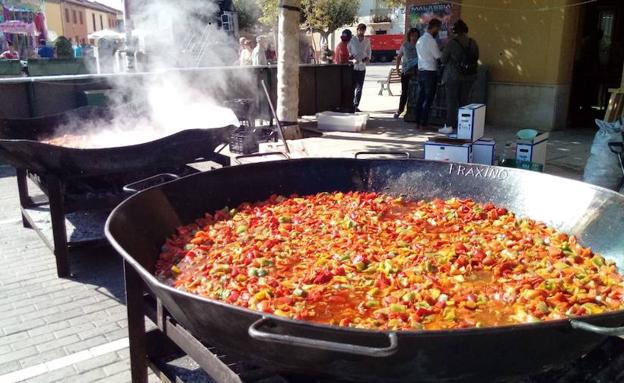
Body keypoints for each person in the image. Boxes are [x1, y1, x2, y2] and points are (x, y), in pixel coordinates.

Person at [439, 19, 479, 134]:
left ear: (455, 31)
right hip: (469, 76)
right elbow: (476, 57)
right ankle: (464, 127)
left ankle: (450, 126)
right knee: (465, 102)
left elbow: (443, 59)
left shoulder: (452, 43)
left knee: (452, 102)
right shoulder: (473, 42)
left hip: (453, 76)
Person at [414, 18, 442, 129]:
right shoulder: (431, 41)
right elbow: (438, 56)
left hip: (421, 72)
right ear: (434, 28)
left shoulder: (420, 40)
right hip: (430, 72)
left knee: (420, 98)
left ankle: (417, 122)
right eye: (438, 29)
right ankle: (424, 123)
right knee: (428, 98)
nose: (438, 32)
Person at [394, 28, 420, 119]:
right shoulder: (405, 45)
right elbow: (398, 57)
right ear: (409, 36)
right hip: (406, 72)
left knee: (415, 93)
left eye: (416, 35)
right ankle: (400, 110)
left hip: (417, 72)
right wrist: (397, 69)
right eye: (412, 35)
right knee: (404, 92)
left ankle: (412, 112)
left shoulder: (420, 45)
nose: (414, 37)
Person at [348, 23, 372, 112]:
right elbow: (348, 52)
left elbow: (369, 51)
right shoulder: (352, 40)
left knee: (359, 88)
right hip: (353, 67)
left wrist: (367, 59)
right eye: (360, 30)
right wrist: (352, 59)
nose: (361, 31)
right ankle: (350, 104)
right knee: (352, 87)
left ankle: (356, 105)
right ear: (357, 30)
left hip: (362, 67)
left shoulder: (367, 41)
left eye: (363, 30)